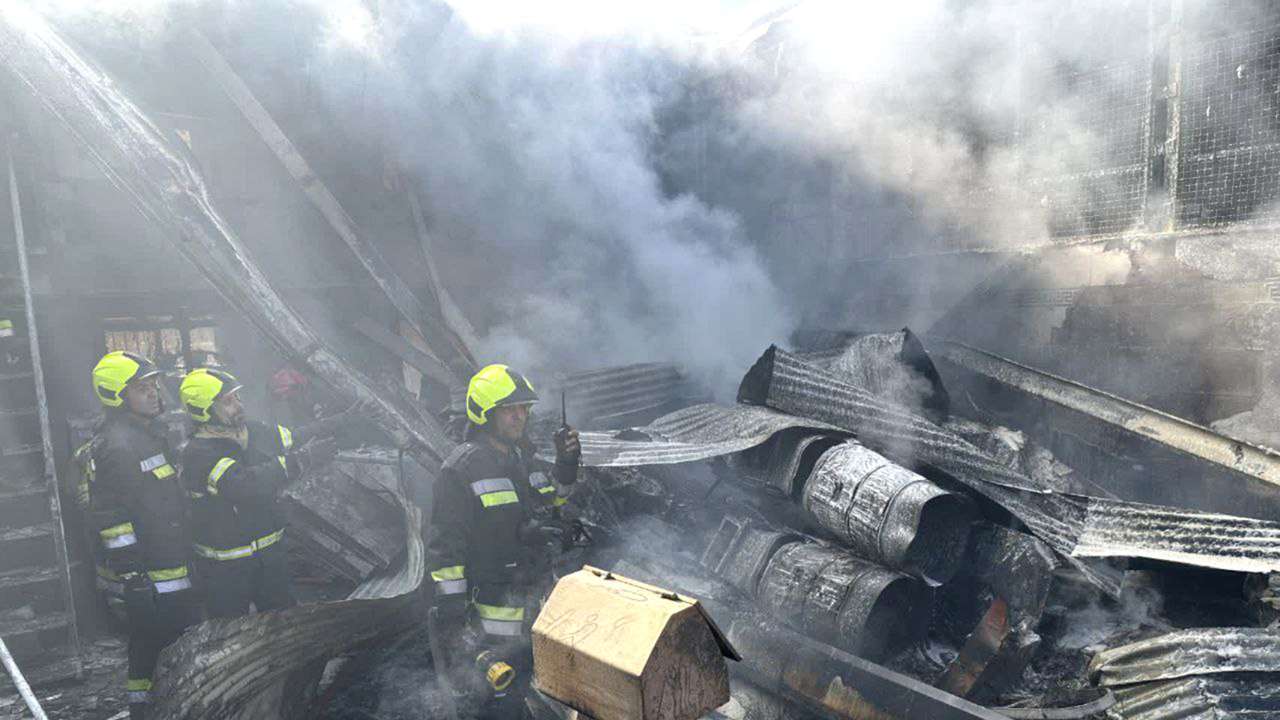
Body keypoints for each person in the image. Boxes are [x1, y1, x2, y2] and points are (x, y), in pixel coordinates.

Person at [425, 364, 581, 718]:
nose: (519, 416)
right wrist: (453, 621)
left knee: (531, 693)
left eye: (524, 408)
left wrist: (566, 463)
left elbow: (554, 502)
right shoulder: (461, 469)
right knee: (494, 705)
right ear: (485, 413)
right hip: (491, 619)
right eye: (509, 409)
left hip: (534, 605)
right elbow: (446, 552)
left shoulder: (524, 460)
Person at [85, 351, 200, 719]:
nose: (154, 393)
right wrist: (134, 578)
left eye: (153, 385)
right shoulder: (118, 446)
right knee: (150, 646)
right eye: (141, 388)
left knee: (168, 643)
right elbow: (112, 520)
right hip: (151, 574)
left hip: (169, 563)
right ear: (117, 396)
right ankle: (145, 712)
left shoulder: (148, 434)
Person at [178, 367, 340, 619]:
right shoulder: (198, 453)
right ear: (203, 410)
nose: (238, 406)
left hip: (270, 559)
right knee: (229, 631)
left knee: (284, 623)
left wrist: (345, 420)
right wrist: (300, 460)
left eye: (237, 397)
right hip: (226, 569)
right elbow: (244, 485)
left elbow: (295, 437)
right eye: (228, 402)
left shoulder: (250, 431)